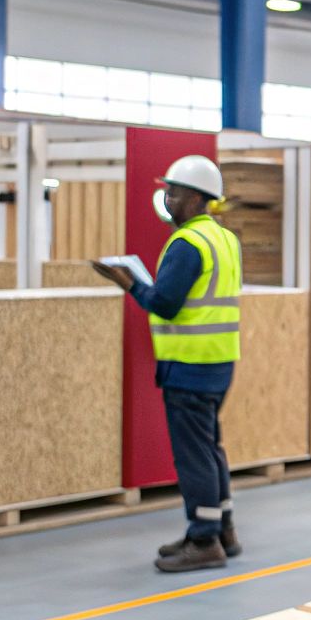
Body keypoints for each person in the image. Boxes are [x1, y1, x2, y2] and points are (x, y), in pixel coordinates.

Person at [92, 155, 242, 572]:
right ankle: (221, 529)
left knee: (194, 455)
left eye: (173, 192)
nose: (167, 199)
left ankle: (204, 540)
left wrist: (129, 284)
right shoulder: (224, 239)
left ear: (196, 198)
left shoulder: (187, 244)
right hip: (218, 362)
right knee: (209, 450)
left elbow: (165, 303)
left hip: (189, 366)